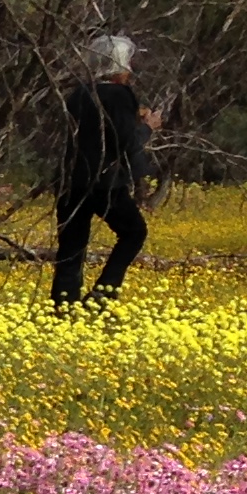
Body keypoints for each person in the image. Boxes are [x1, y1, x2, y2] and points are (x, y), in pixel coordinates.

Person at [52, 32, 155, 307]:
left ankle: (64, 306)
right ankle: (102, 295)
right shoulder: (119, 95)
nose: (130, 69)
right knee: (134, 232)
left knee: (71, 247)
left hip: (71, 181)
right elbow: (125, 140)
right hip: (104, 182)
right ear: (118, 64)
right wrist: (148, 127)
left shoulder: (78, 94)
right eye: (128, 62)